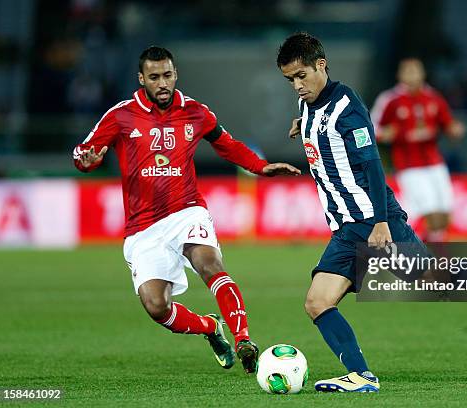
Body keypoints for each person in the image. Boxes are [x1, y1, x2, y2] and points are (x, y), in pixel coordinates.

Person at [276, 32, 467, 393]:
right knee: (317, 302)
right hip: (346, 228)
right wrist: (303, 123)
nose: (297, 86)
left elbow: (373, 167)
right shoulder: (309, 104)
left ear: (321, 65)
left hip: (371, 221)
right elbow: (317, 121)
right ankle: (361, 376)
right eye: (290, 80)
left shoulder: (347, 108)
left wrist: (381, 222)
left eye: (302, 76)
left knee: (434, 280)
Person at [73, 46, 301, 374]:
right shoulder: (120, 116)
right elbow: (84, 151)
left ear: (175, 74)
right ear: (142, 79)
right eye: (154, 77)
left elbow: (227, 144)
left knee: (210, 265)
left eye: (167, 75)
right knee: (156, 306)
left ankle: (244, 339)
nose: (162, 83)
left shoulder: (196, 112)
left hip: (187, 211)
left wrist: (261, 167)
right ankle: (211, 328)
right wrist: (85, 161)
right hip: (144, 227)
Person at [371, 58, 465, 242]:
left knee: (445, 214)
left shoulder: (433, 97)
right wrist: (383, 134)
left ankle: (430, 254)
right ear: (400, 75)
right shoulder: (390, 99)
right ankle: (422, 256)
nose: (413, 75)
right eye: (408, 71)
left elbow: (448, 123)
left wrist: (454, 129)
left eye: (416, 70)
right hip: (409, 165)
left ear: (423, 73)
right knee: (430, 214)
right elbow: (370, 127)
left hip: (434, 162)